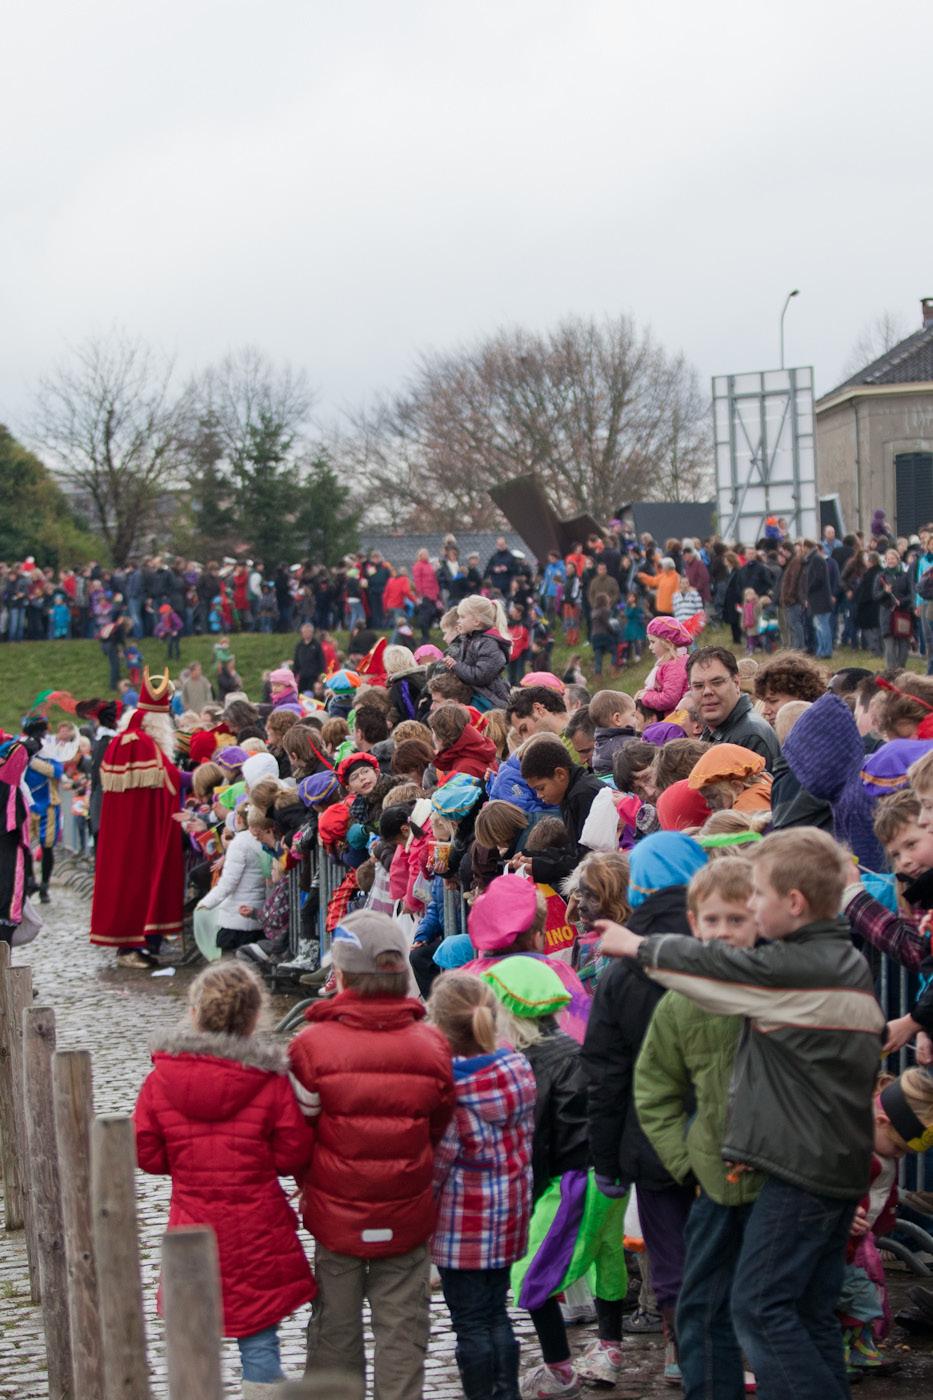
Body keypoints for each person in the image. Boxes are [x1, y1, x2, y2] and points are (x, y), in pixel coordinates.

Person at [597, 829, 886, 1400]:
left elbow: (724, 975)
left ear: (793, 904)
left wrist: (637, 947)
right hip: (799, 1165)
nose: (746, 913)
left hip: (795, 1168)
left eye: (753, 900)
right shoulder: (839, 958)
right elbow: (657, 1081)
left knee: (760, 1306)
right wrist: (690, 1162)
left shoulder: (799, 967)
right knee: (799, 1310)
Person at [288, 910, 455, 1400]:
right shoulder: (431, 1045)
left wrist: (310, 1179)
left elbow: (300, 1134)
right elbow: (438, 1123)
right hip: (406, 1208)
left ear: (339, 975)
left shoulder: (312, 1046)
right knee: (402, 1328)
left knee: (335, 1328)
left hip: (336, 1209)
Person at [134, 962, 315, 1399]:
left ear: (194, 1013)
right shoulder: (268, 1081)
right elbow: (293, 1151)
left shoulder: (162, 1081)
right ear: (254, 1017)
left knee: (195, 1332)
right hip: (258, 1228)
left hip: (192, 1226)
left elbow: (147, 1152)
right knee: (259, 1334)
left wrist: (184, 1161)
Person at [633, 857, 762, 1400]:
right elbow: (654, 1087)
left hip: (781, 1178)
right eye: (713, 921)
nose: (724, 933)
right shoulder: (681, 1003)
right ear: (693, 923)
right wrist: (686, 1158)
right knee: (701, 1307)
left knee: (775, 1309)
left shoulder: (783, 987)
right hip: (714, 1176)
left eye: (738, 920)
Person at [482, 955, 631, 1396]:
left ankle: (559, 1369)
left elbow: (540, 1141)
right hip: (604, 1175)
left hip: (572, 1182)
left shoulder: (533, 1064)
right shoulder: (570, 1049)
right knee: (608, 1257)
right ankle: (609, 1348)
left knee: (528, 1276)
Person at [427, 973, 537, 1400]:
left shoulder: (452, 1092)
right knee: (497, 1316)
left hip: (463, 1226)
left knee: (471, 1324)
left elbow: (438, 1168)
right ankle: (506, 1392)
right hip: (508, 1216)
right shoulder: (516, 1072)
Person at [89, 668, 184, 967]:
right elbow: (171, 779)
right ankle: (132, 946)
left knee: (135, 886)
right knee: (137, 886)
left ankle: (141, 944)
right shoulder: (141, 744)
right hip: (140, 834)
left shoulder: (129, 740)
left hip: (131, 832)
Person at [687, 646, 782, 771]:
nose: (707, 692)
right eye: (698, 686)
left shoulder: (750, 737)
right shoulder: (713, 729)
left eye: (717, 682)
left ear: (736, 683)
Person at [443, 596, 512, 710]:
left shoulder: (488, 644)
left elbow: (479, 676)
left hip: (486, 700)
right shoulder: (471, 639)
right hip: (475, 696)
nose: (458, 620)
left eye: (462, 617)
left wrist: (456, 665)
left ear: (476, 621)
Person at [293, 622, 325, 693]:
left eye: (308, 631)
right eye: (304, 632)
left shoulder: (316, 645)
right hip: (302, 676)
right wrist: (294, 675)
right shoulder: (299, 646)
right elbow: (296, 662)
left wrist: (321, 674)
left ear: (312, 633)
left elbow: (321, 661)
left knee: (311, 694)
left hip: (314, 676)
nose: (306, 633)